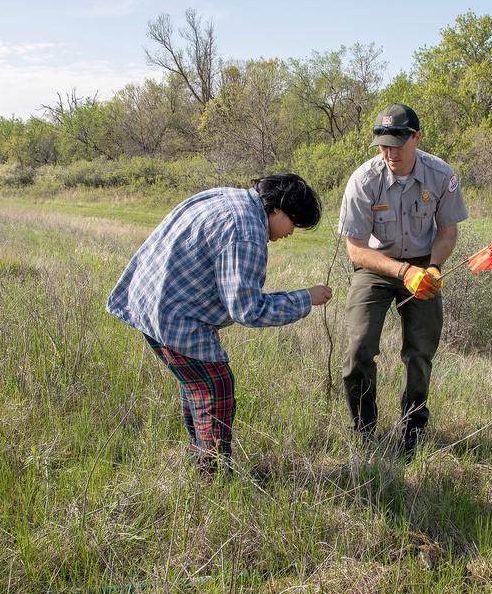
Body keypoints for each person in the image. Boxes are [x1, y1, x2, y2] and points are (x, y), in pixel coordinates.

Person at [107, 173, 333, 474]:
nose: (292, 231)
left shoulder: (226, 196)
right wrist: (306, 298)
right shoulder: (248, 232)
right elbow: (248, 309)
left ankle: (199, 458)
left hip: (146, 299)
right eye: (295, 222)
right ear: (277, 208)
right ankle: (212, 474)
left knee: (198, 386)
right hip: (173, 314)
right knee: (215, 386)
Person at [338, 104, 469, 458]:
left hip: (423, 266)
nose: (390, 152)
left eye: (398, 142)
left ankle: (412, 432)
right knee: (359, 348)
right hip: (376, 267)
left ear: (416, 137)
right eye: (383, 144)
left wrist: (435, 268)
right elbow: (356, 250)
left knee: (420, 353)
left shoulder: (441, 175)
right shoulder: (363, 180)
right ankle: (363, 435)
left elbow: (447, 230)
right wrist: (400, 271)